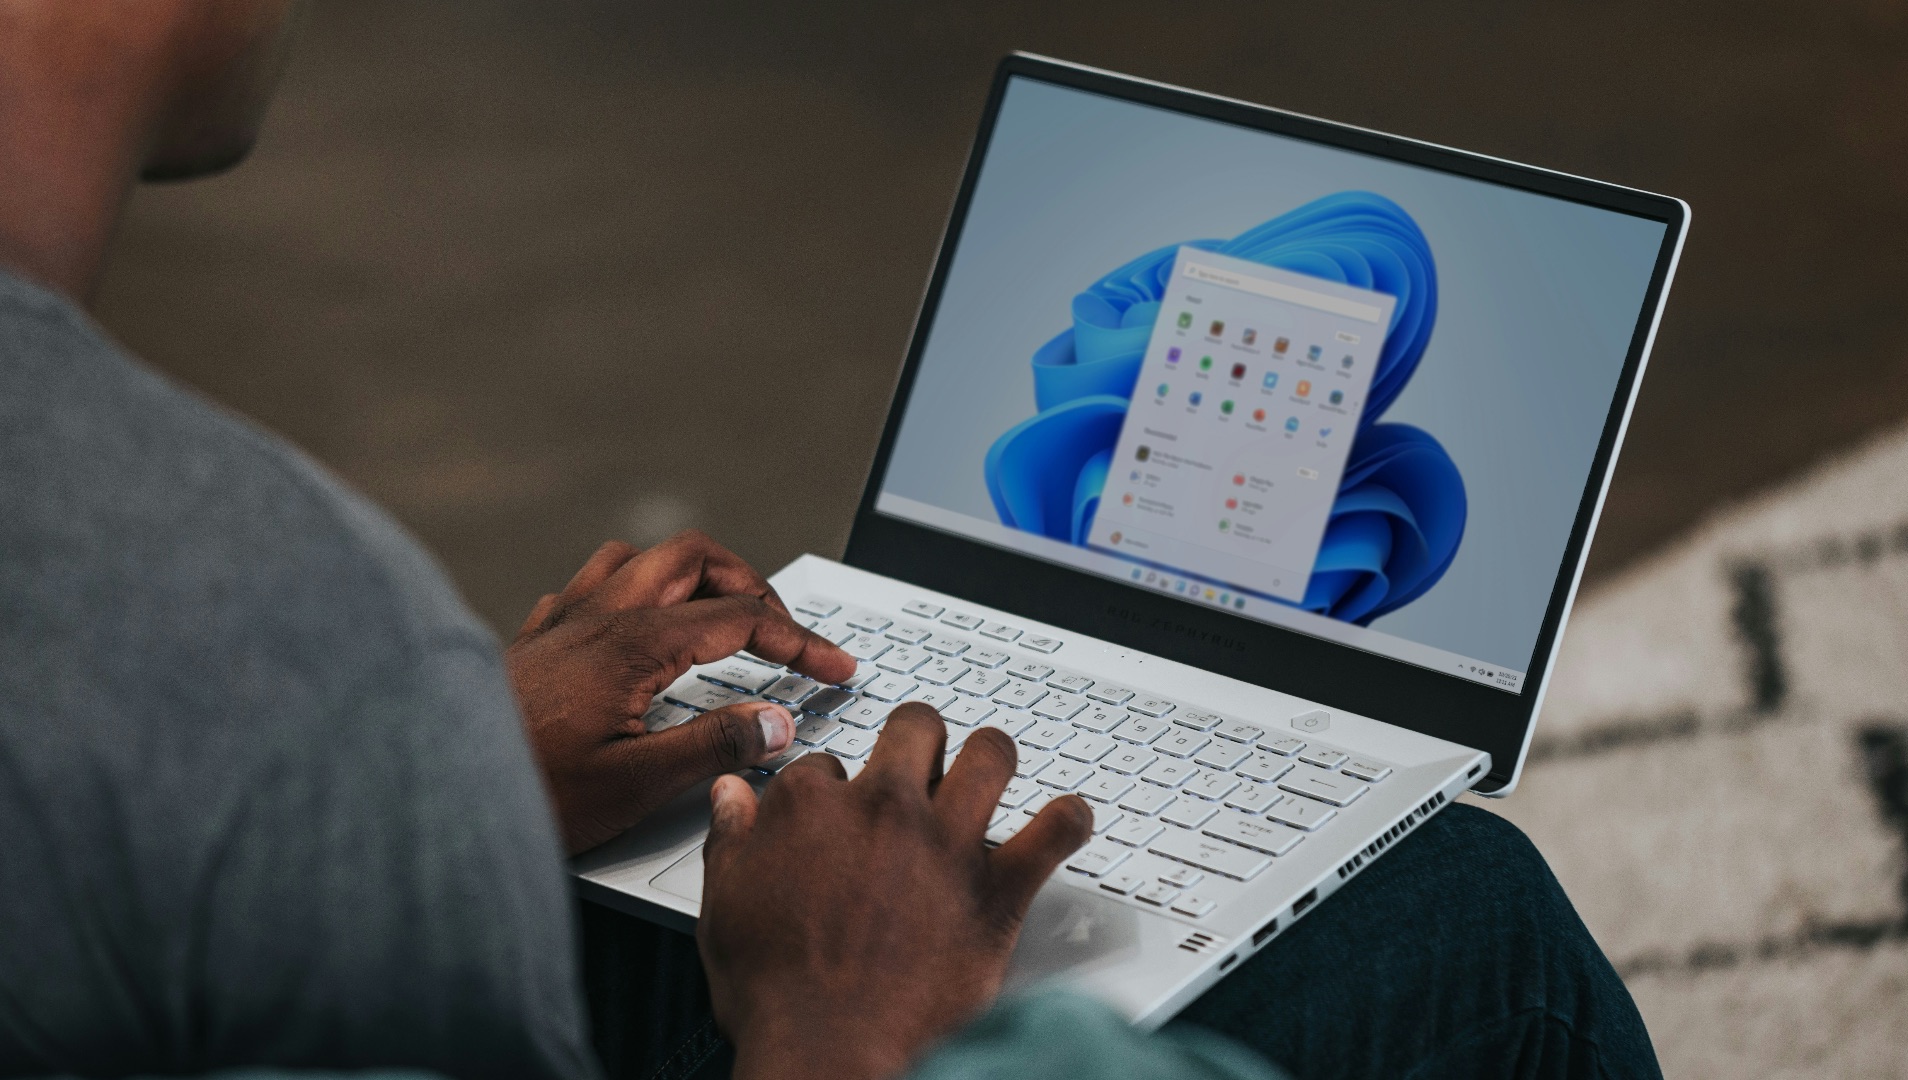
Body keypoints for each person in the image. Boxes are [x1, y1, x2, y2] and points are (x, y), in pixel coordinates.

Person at [0, 3, 1664, 1079]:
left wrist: (462, 755)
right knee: (1471, 917)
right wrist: (838, 1024)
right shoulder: (254, 610)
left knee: (662, 857)